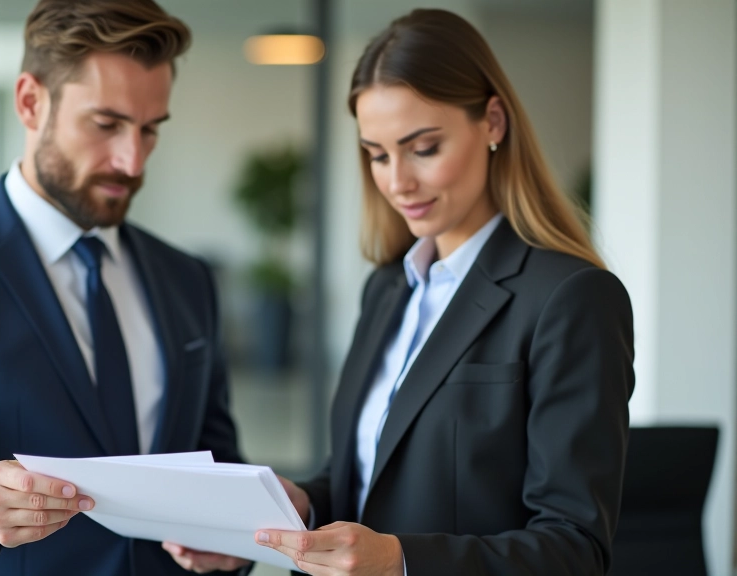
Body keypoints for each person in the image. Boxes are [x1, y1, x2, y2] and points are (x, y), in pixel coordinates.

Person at [166, 8, 634, 575]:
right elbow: (364, 479)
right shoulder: (388, 288)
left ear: (492, 122)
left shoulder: (570, 298)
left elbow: (574, 549)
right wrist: (298, 512)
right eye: (378, 154)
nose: (397, 182)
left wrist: (402, 561)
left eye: (424, 148)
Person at [0, 1, 249, 574]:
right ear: (31, 102)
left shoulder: (186, 278)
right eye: (107, 124)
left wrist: (231, 545)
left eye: (150, 129)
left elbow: (217, 462)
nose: (131, 160)